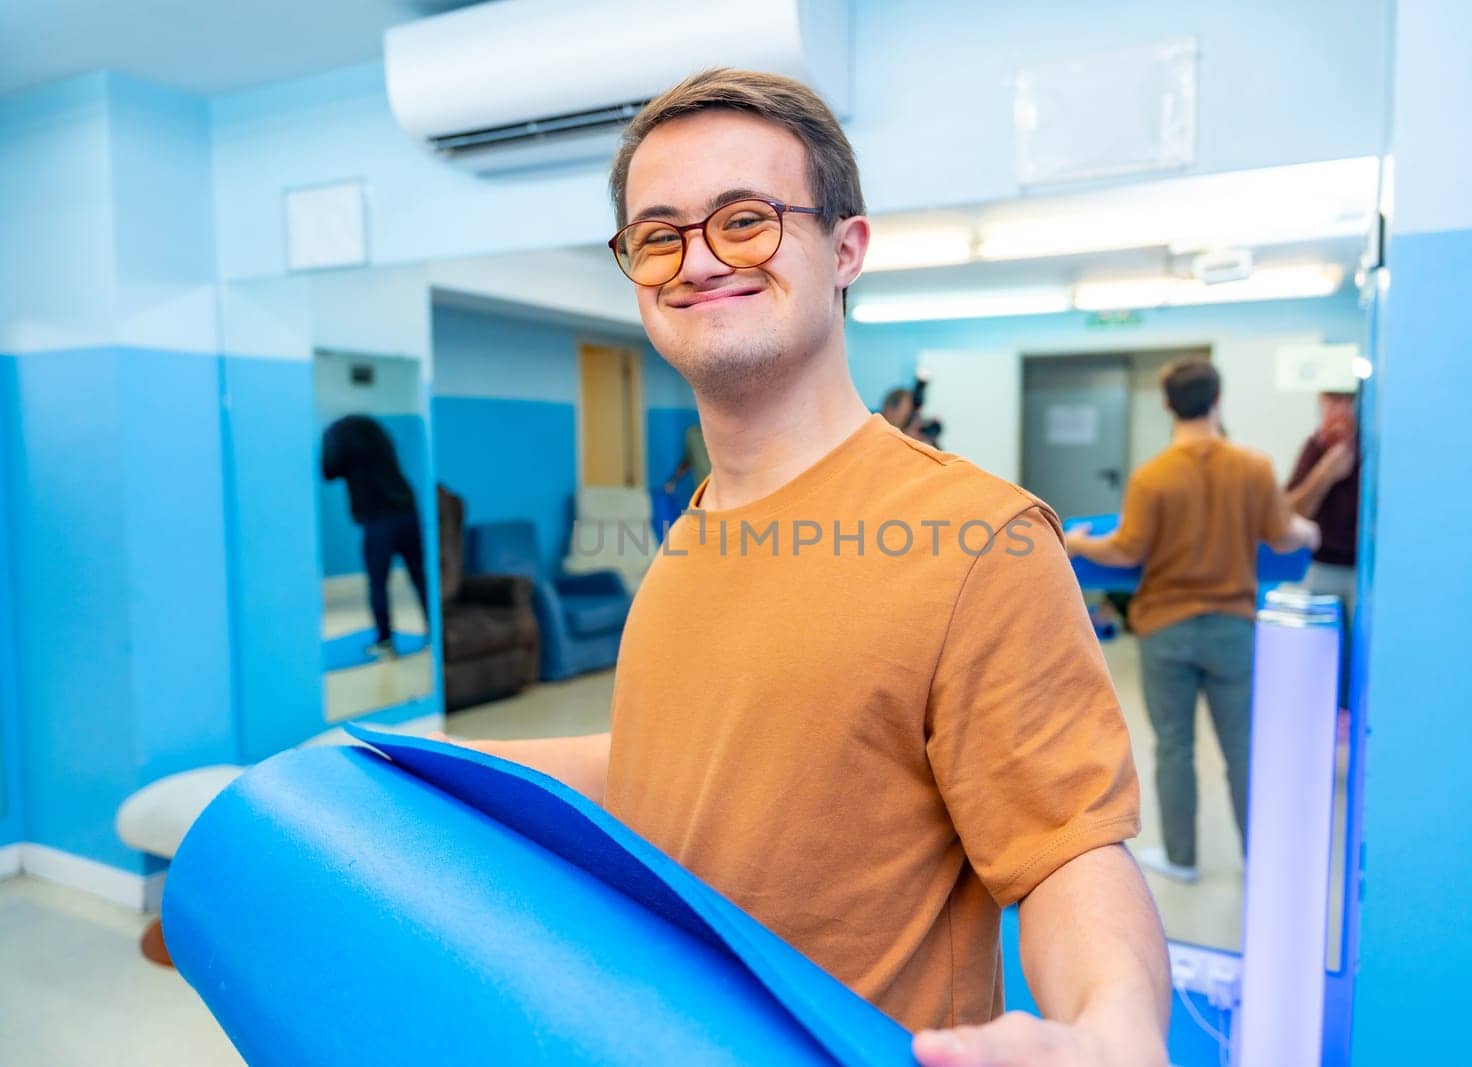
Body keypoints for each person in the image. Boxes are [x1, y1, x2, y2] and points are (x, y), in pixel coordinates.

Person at [442, 69, 1170, 1064]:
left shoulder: (979, 537)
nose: (698, 259)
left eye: (744, 219)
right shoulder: (697, 523)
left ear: (846, 247)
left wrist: (1113, 1027)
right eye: (658, 235)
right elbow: (685, 758)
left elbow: (1066, 849)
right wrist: (401, 760)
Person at [1064, 359, 1320, 884]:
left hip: (1166, 629)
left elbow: (1125, 549)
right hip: (1233, 628)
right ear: (1218, 398)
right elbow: (1281, 535)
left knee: (1174, 747)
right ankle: (1261, 859)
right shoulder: (1254, 467)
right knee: (1243, 748)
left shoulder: (1153, 477)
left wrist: (1076, 542)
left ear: (1166, 405)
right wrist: (1311, 533)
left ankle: (1181, 859)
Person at [320, 414, 428, 660]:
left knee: (378, 582)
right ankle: (436, 635)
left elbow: (329, 471)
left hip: (379, 519)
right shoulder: (378, 436)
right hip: (407, 510)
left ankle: (385, 641)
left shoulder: (339, 439)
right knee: (421, 577)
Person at [1286, 390, 1360, 710]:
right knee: (1317, 657)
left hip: (1363, 573)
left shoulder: (1374, 449)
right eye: (1332, 402)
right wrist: (1326, 472)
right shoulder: (1314, 449)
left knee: (1360, 659)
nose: (1339, 411)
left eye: (1347, 402)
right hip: (1321, 568)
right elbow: (1292, 512)